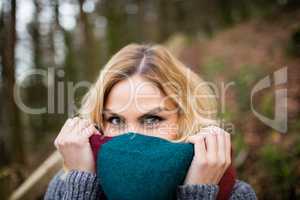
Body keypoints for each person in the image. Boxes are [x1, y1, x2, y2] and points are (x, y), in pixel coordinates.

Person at [44, 43, 257, 200]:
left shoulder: (234, 194)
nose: (131, 137)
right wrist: (82, 185)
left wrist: (197, 192)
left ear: (185, 120)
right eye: (115, 119)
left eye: (152, 119)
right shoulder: (65, 188)